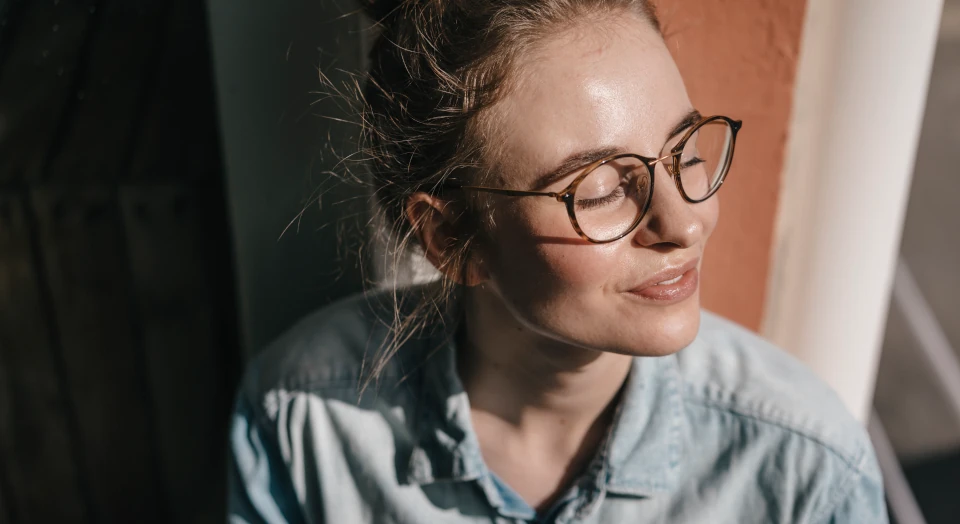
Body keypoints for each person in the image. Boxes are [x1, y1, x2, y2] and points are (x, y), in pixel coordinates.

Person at [228, 1, 888, 522]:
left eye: (685, 151)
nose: (685, 222)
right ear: (450, 236)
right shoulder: (305, 421)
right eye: (598, 189)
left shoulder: (805, 470)